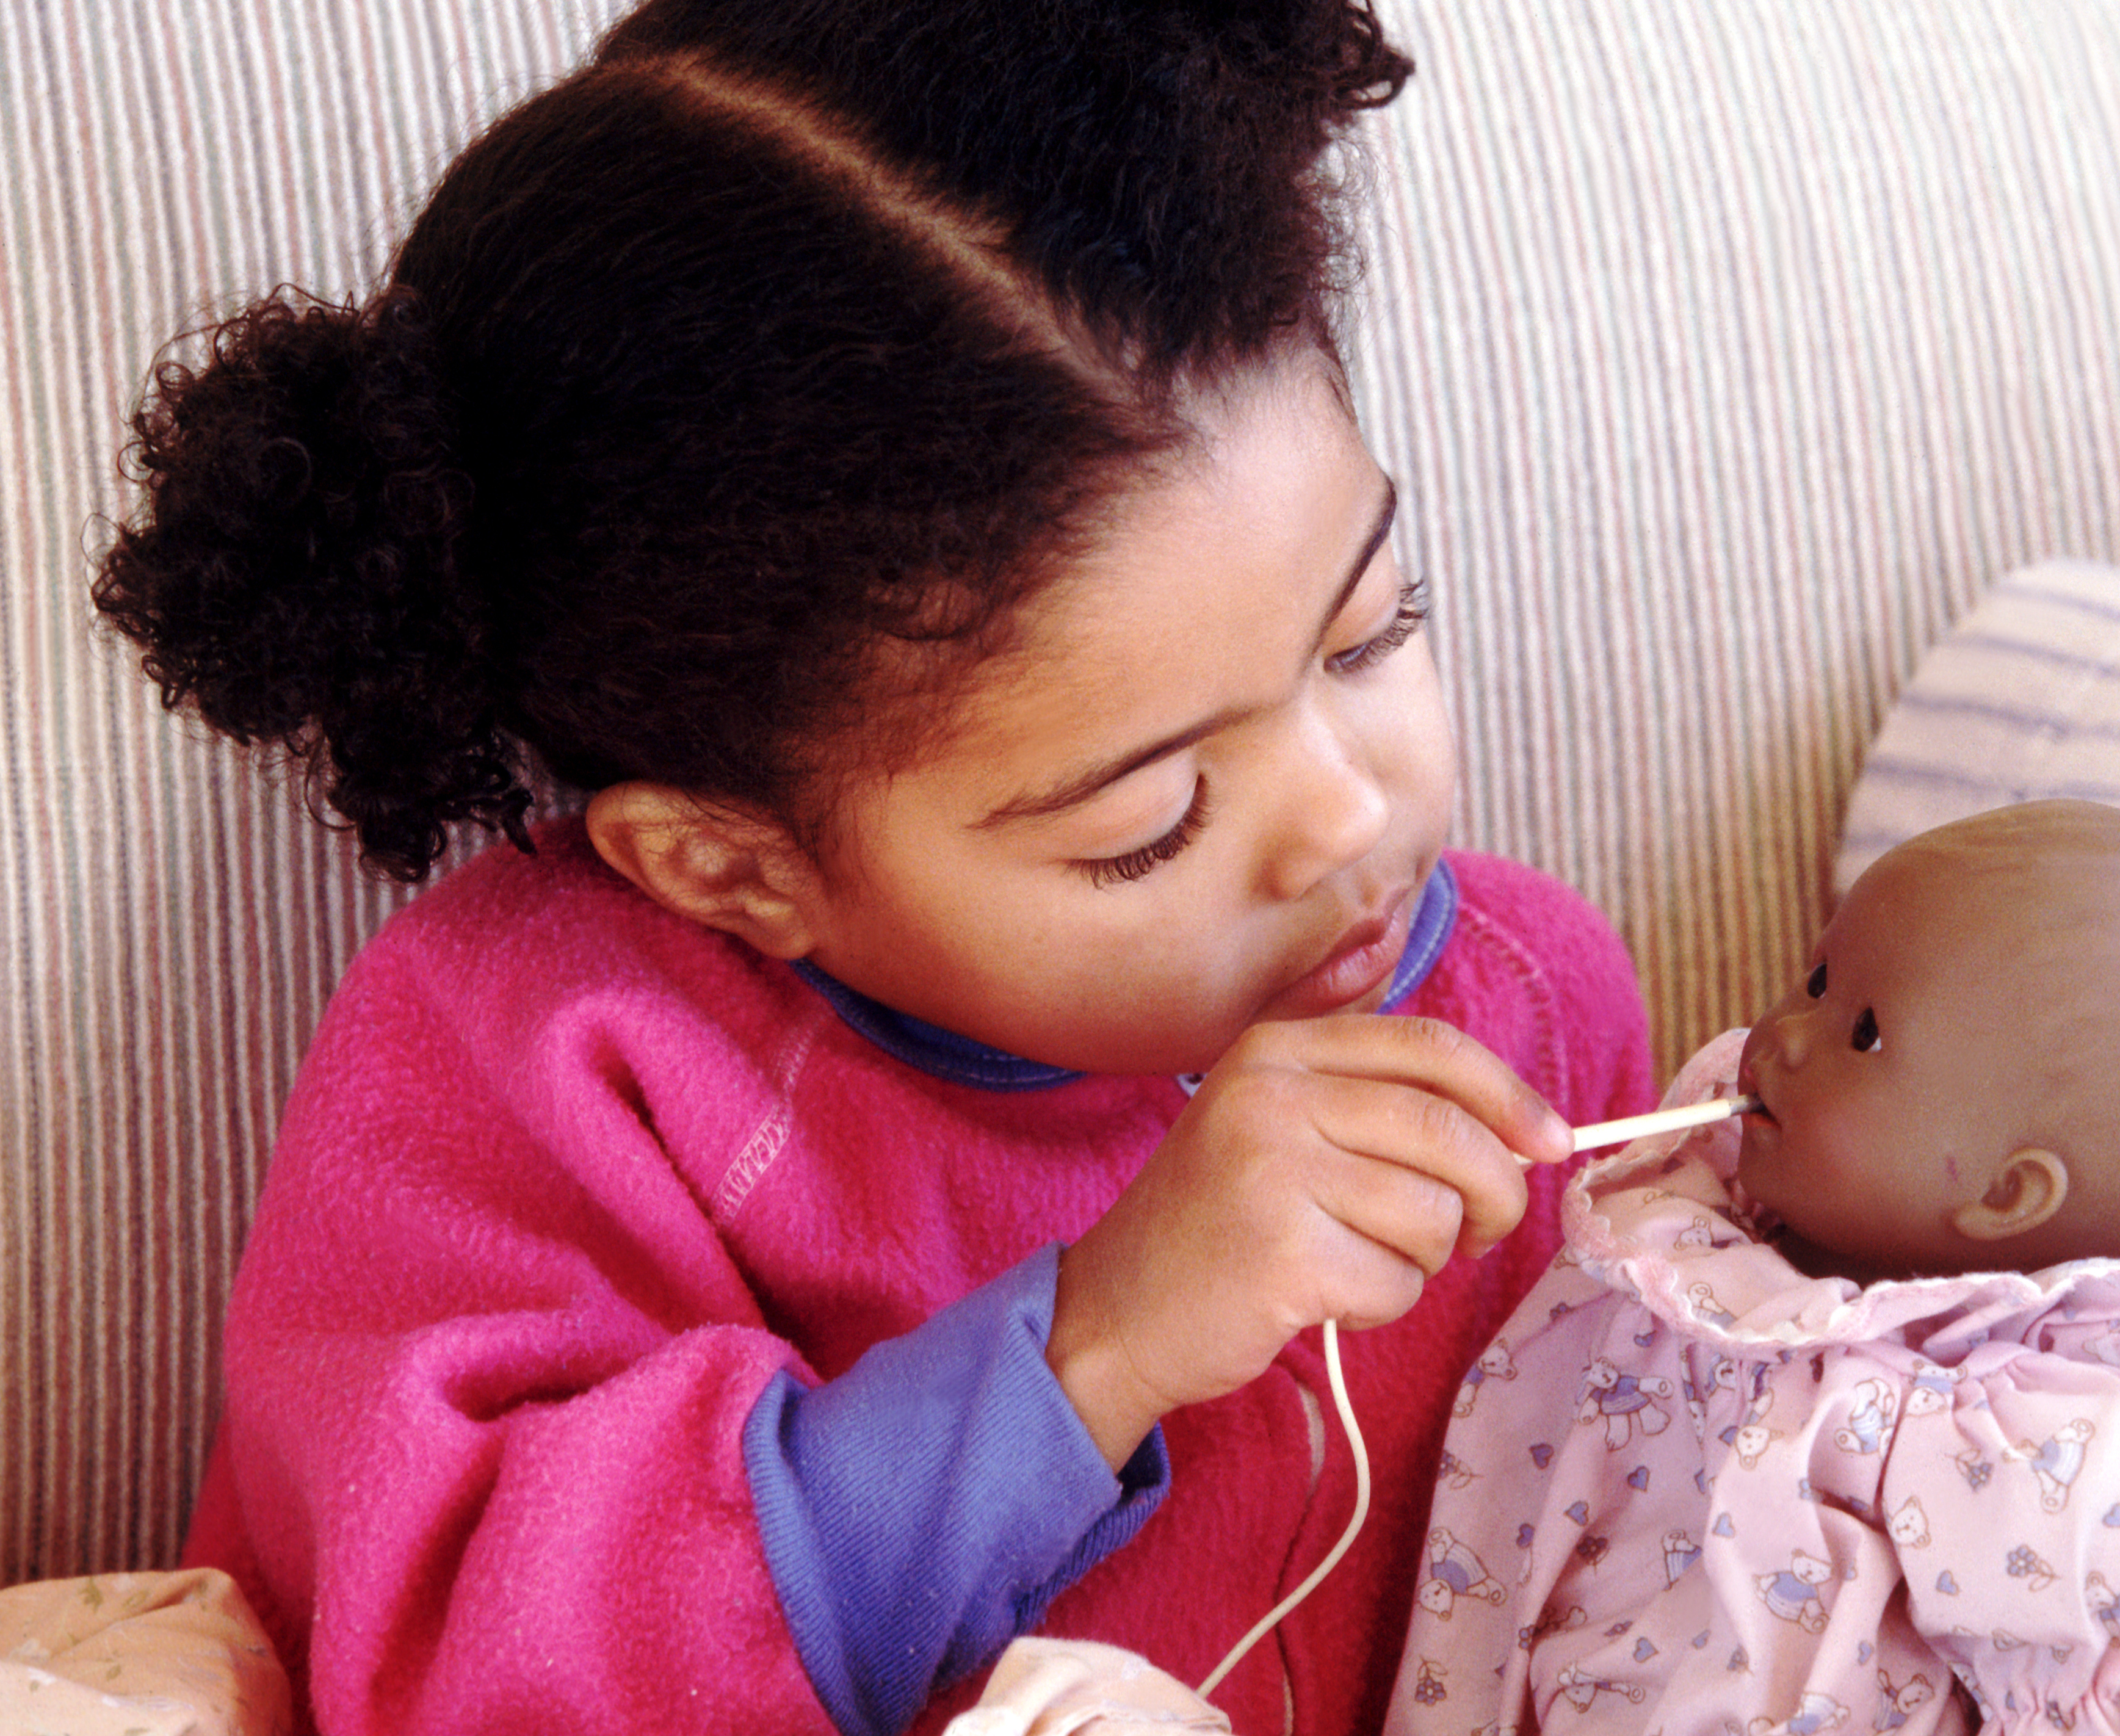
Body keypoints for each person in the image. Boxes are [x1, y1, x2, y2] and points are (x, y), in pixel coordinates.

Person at [88, 4, 1654, 1733]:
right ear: (727, 867)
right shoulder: (543, 1056)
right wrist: (1097, 1345)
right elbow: (463, 1661)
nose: (1351, 816)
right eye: (1146, 821)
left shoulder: (1526, 1001)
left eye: (1369, 636)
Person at [1386, 800, 2120, 1736]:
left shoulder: (2031, 1449)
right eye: (1818, 979)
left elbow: (2065, 1700)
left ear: (2006, 1196)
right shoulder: (1679, 1234)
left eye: (1863, 1031)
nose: (1785, 1031)